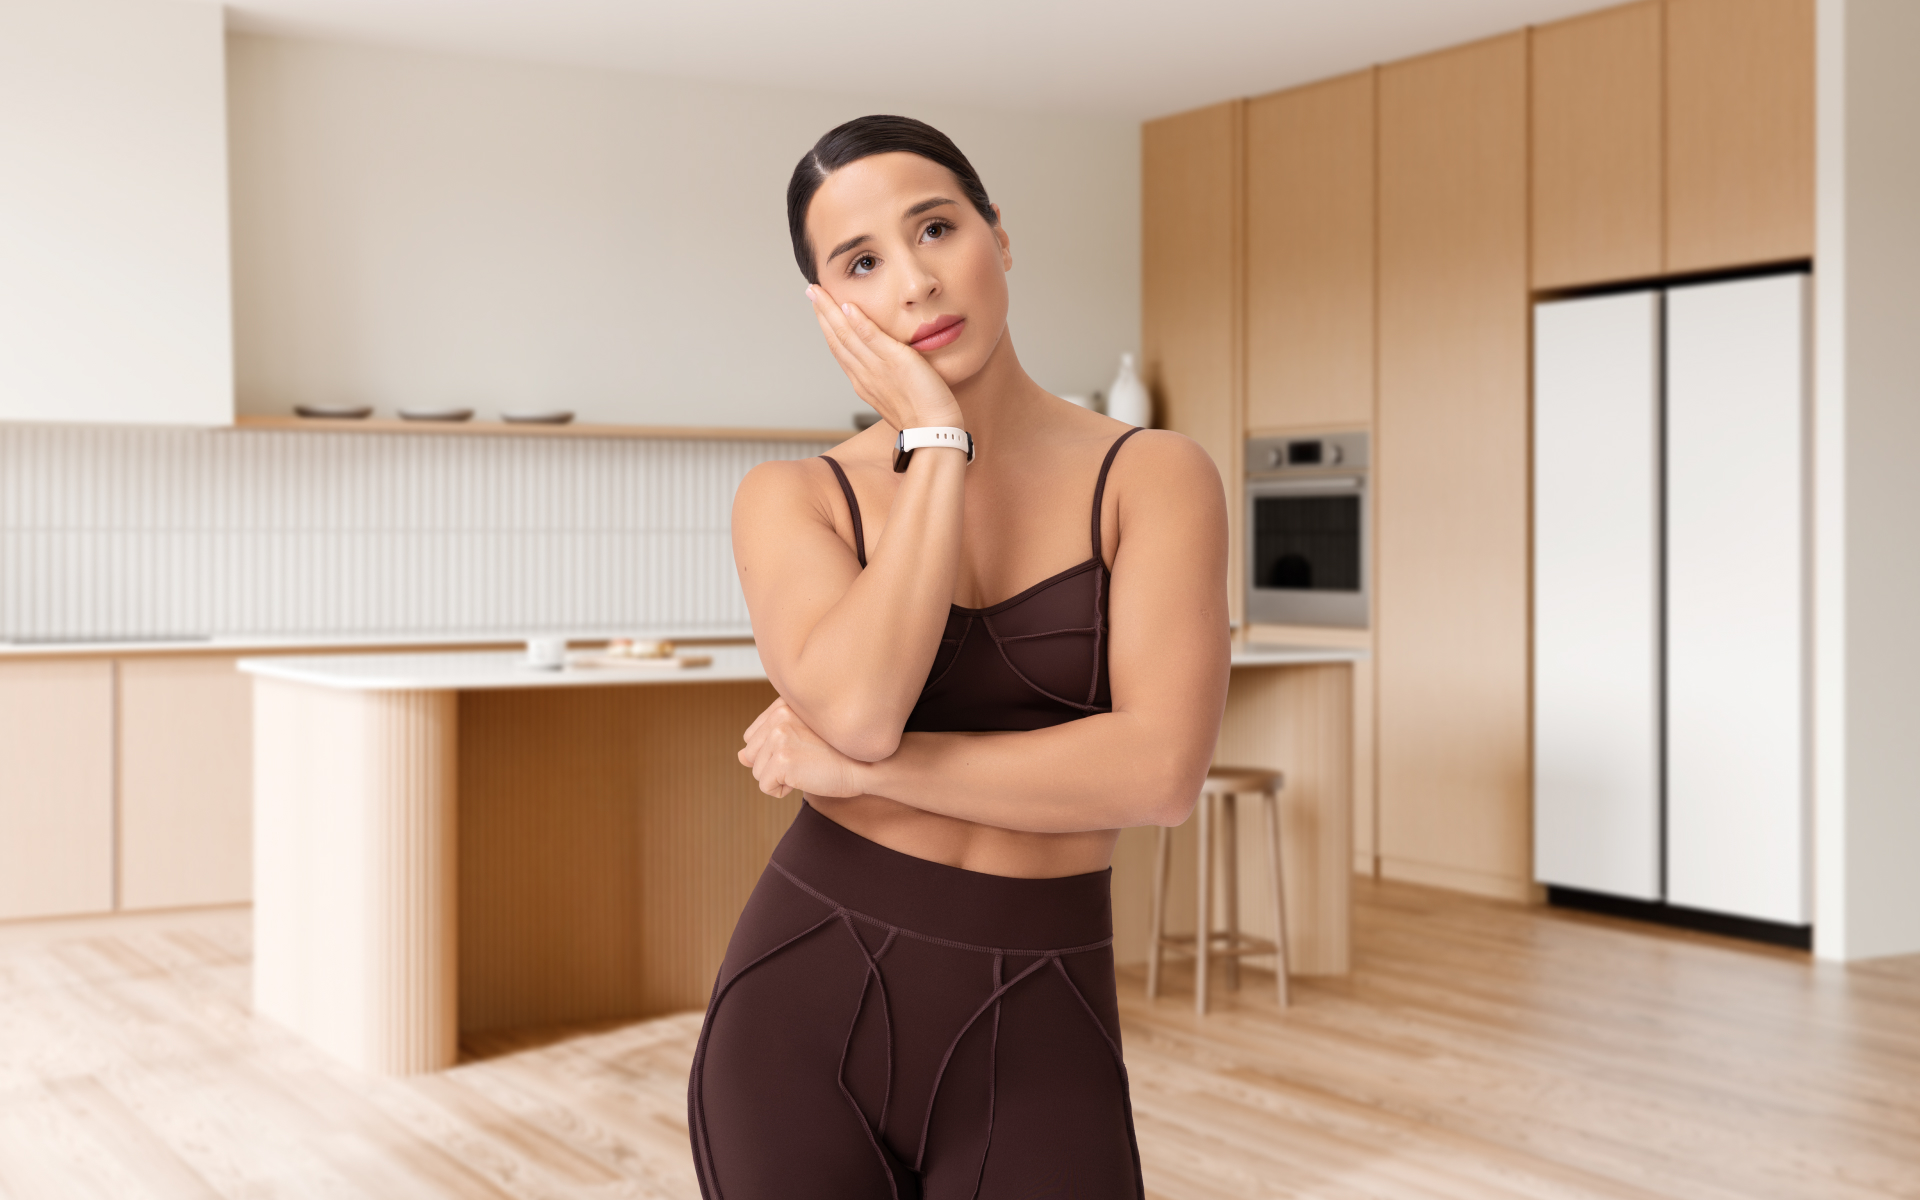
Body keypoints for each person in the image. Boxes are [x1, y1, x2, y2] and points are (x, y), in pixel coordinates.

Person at [687, 114, 1230, 1200]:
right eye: (862, 263)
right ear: (829, 306)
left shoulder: (1154, 476)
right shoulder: (793, 498)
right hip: (801, 1013)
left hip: (1044, 1018)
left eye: (935, 228)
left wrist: (870, 775)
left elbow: (1160, 775)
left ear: (999, 236)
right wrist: (935, 438)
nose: (916, 282)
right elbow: (860, 710)